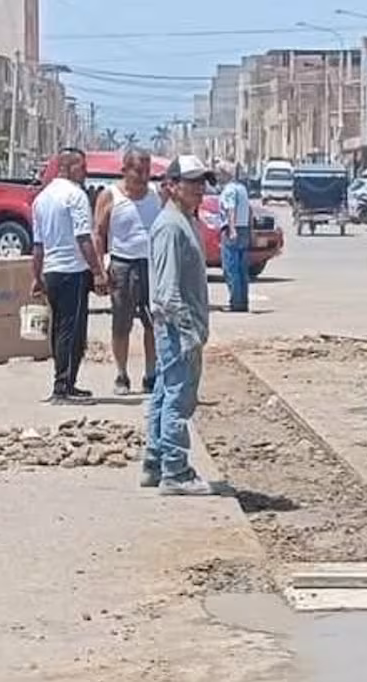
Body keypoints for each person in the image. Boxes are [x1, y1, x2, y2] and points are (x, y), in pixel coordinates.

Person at [143, 155, 218, 496]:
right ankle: (176, 470)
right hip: (176, 327)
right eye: (192, 183)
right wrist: (189, 331)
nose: (200, 189)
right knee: (178, 397)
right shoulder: (171, 226)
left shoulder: (184, 220)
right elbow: (167, 292)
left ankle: (155, 461)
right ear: (171, 186)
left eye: (202, 182)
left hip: (177, 326)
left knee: (164, 392)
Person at [30, 147, 109, 403]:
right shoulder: (75, 195)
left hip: (52, 271)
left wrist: (37, 276)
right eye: (82, 167)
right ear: (67, 167)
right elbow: (83, 238)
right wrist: (97, 271)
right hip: (72, 271)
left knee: (62, 329)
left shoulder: (42, 199)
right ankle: (62, 386)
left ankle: (66, 383)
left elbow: (38, 245)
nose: (85, 172)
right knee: (70, 330)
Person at [95, 148, 162, 395]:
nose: (144, 176)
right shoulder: (110, 196)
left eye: (147, 171)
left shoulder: (156, 195)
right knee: (121, 324)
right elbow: (98, 233)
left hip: (151, 266)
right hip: (122, 266)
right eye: (138, 171)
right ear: (124, 170)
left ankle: (151, 373)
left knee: (153, 323)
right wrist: (100, 270)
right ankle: (122, 374)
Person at [216, 160, 252, 313]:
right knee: (242, 268)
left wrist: (232, 229)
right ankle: (243, 301)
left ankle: (236, 303)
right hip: (244, 229)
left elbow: (231, 210)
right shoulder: (242, 189)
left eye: (219, 174)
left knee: (231, 268)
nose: (218, 177)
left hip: (233, 229)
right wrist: (251, 229)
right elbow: (249, 211)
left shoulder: (230, 190)